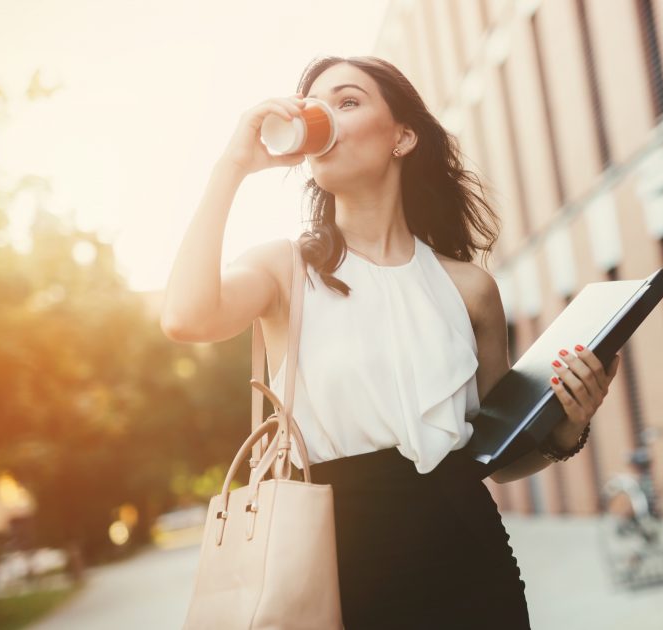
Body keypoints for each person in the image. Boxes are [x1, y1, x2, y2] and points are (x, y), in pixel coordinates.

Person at [160, 55, 621, 629]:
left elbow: (498, 461)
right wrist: (232, 165)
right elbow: (184, 317)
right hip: (336, 569)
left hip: (470, 563)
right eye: (315, 105)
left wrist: (569, 428)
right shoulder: (284, 270)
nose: (324, 115)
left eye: (347, 101)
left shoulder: (470, 289)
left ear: (403, 136)